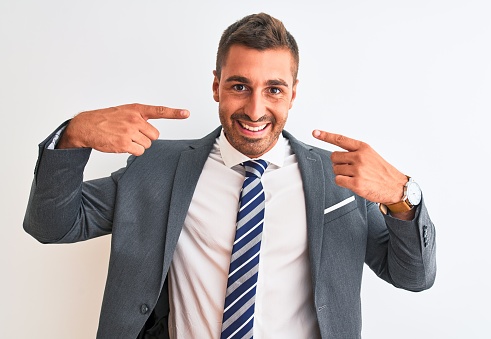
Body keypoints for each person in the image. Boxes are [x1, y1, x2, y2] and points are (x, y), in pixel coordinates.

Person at [24, 12, 436, 339]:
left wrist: (403, 197)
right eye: (240, 86)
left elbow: (412, 276)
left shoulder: (340, 179)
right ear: (217, 85)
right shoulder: (156, 166)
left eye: (273, 89)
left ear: (293, 93)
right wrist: (74, 136)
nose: (255, 110)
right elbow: (52, 225)